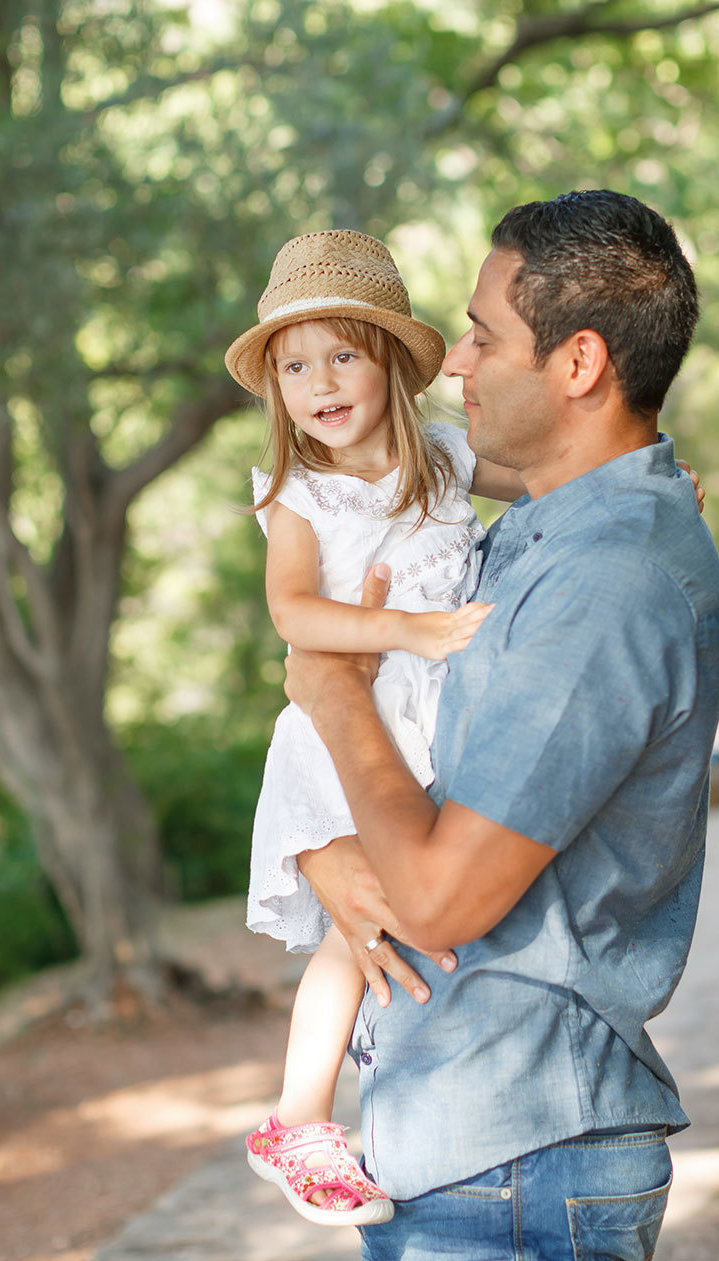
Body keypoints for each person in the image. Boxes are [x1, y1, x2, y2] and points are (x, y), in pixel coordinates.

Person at [281, 190, 719, 1260]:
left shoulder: (606, 578)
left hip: (518, 1162)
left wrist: (333, 691)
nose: (453, 363)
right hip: (468, 1148)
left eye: (483, 334)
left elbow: (437, 899)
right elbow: (421, 750)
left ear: (577, 365)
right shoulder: (535, 532)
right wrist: (323, 851)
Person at [227, 229, 518, 1227]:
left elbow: (546, 479)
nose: (319, 382)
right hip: (346, 730)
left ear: (389, 359)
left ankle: (406, 1098)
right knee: (357, 925)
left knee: (424, 905)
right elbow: (294, 615)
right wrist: (407, 627)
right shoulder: (296, 492)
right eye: (294, 365)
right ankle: (298, 1117)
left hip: (435, 728)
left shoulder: (443, 456)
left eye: (341, 354)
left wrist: (642, 478)